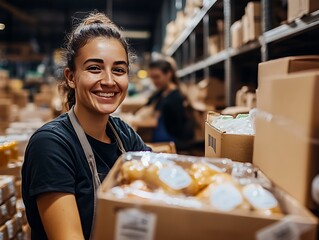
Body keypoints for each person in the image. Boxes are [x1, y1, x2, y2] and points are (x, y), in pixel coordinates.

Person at [22, 12, 151, 240]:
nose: (109, 81)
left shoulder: (124, 136)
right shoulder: (51, 145)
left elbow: (162, 188)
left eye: (119, 70)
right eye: (94, 68)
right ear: (71, 77)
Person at [134, 58, 195, 150]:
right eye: (152, 77)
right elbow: (148, 107)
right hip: (160, 139)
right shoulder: (160, 93)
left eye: (157, 77)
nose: (154, 81)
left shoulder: (175, 97)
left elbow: (155, 121)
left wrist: (134, 121)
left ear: (168, 74)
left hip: (171, 143)